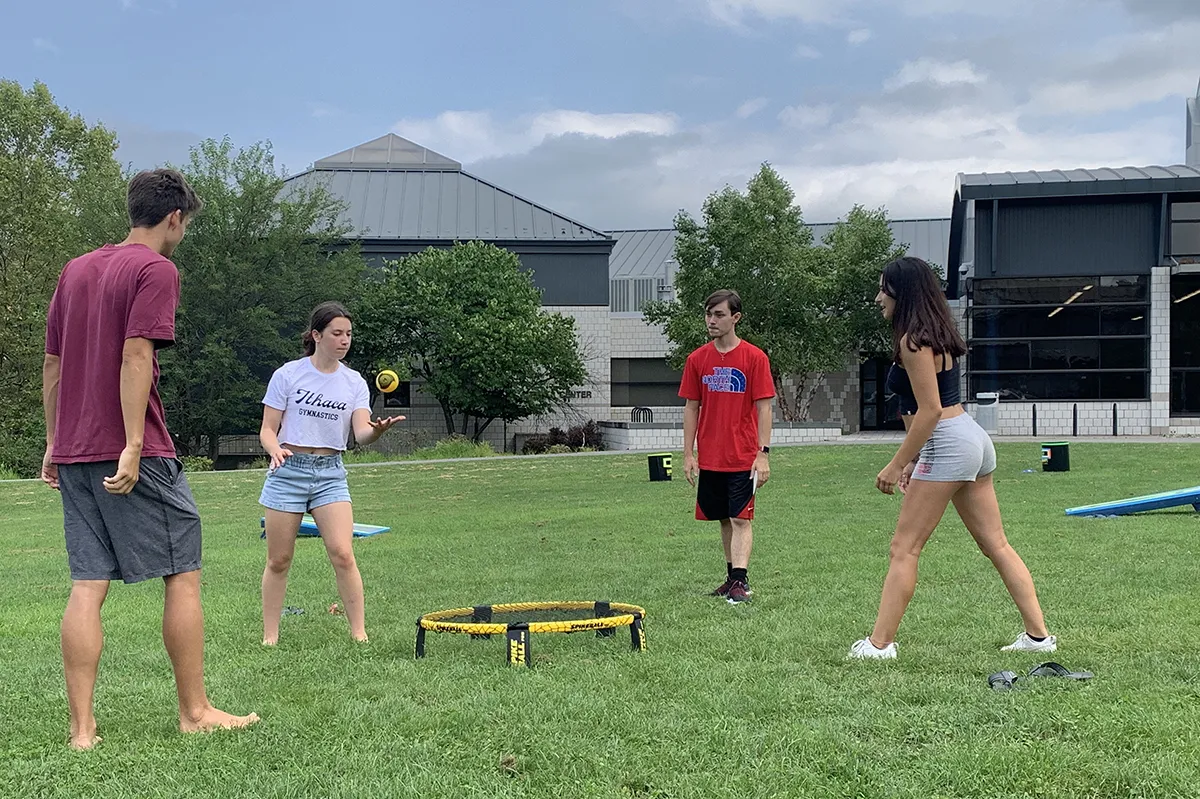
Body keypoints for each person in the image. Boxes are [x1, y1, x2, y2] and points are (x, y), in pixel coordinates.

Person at [41, 168, 259, 749]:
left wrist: (53, 443)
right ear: (175, 217)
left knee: (87, 583)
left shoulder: (76, 269)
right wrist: (135, 444)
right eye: (186, 224)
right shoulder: (156, 269)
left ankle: (82, 731)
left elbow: (54, 366)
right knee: (182, 574)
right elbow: (136, 354)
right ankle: (195, 711)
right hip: (133, 448)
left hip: (75, 450)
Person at [848, 256, 1055, 659]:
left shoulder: (913, 340)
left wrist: (896, 463)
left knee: (903, 548)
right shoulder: (935, 333)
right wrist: (912, 462)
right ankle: (1038, 638)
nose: (878, 298)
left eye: (883, 288)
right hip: (970, 438)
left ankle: (879, 645)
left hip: (948, 442)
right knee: (996, 543)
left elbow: (929, 412)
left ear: (901, 292)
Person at [258, 301, 403, 645]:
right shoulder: (288, 375)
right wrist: (275, 448)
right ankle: (270, 637)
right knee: (279, 559)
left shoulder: (353, 382)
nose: (344, 340)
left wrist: (377, 432)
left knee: (342, 552)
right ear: (316, 335)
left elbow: (361, 433)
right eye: (337, 333)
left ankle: (359, 635)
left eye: (348, 334)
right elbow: (267, 429)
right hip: (288, 470)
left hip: (330, 474)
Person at [678, 289, 775, 605]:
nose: (711, 320)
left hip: (743, 456)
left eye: (719, 314)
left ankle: (741, 583)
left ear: (736, 318)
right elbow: (692, 407)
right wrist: (689, 454)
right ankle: (731, 578)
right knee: (722, 517)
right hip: (711, 456)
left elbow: (764, 408)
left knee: (740, 518)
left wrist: (763, 453)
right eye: (708, 314)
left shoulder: (754, 358)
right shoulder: (697, 359)